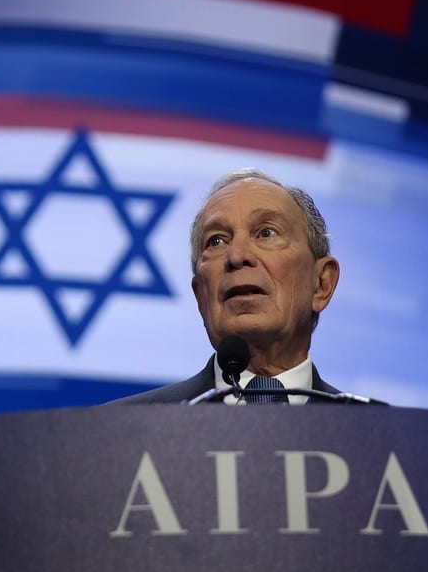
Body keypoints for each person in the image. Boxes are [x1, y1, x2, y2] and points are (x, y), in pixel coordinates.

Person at [115, 168, 343, 404]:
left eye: (266, 233)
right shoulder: (122, 431)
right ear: (201, 297)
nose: (237, 256)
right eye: (216, 240)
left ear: (321, 284)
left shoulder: (376, 433)